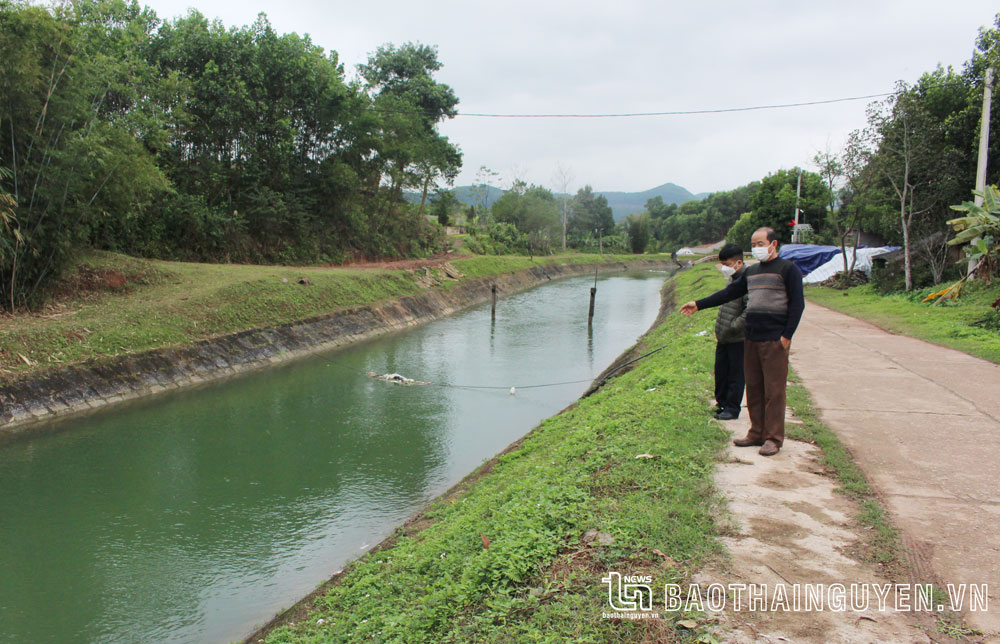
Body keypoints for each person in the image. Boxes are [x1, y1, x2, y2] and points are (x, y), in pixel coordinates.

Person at [680, 227, 804, 456]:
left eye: (760, 243)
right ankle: (756, 432)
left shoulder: (788, 270)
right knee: (754, 388)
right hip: (751, 338)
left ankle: (774, 438)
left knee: (774, 390)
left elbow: (798, 305)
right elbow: (728, 294)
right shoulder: (753, 272)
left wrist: (787, 336)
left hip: (774, 339)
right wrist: (698, 303)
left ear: (773, 244)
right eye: (754, 244)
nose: (757, 248)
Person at [712, 244, 748, 421]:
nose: (724, 268)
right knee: (721, 371)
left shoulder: (747, 281)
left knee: (736, 374)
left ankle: (733, 408)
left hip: (737, 338)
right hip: (724, 337)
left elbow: (749, 311)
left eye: (726, 264)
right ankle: (722, 403)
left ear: (738, 262)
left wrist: (733, 326)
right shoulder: (733, 279)